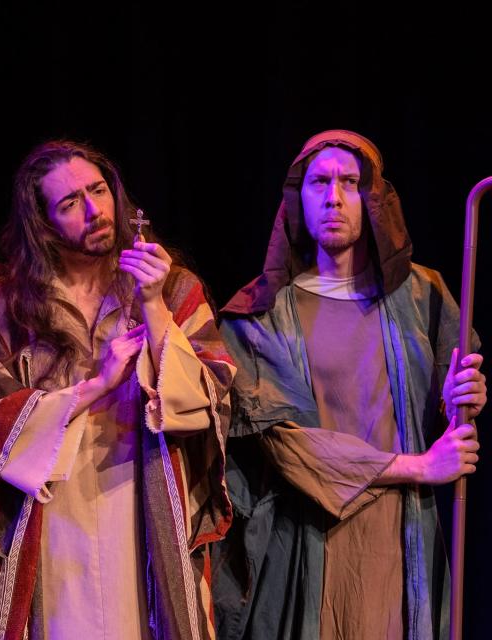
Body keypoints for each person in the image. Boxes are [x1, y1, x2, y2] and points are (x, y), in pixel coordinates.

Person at [213, 129, 487, 640]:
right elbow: (283, 443)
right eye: (319, 182)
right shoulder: (259, 315)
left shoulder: (424, 296)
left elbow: (453, 394)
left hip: (401, 536)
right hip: (305, 542)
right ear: (298, 198)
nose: (334, 197)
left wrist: (464, 400)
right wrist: (421, 466)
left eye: (350, 182)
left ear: (374, 199)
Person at [0, 139, 235, 639]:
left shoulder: (172, 287)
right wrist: (97, 386)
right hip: (50, 522)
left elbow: (208, 405)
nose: (94, 211)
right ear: (41, 224)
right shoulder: (3, 306)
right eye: (69, 204)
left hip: (142, 510)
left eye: (98, 190)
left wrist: (153, 306)